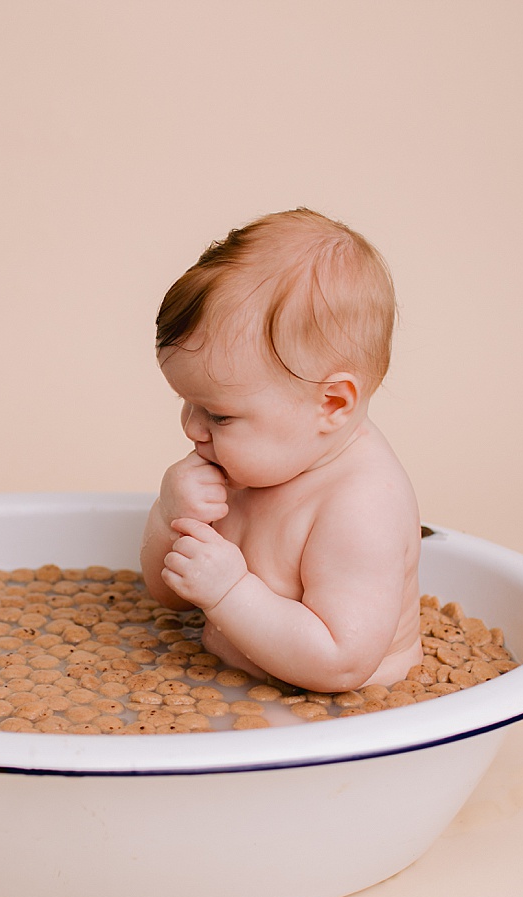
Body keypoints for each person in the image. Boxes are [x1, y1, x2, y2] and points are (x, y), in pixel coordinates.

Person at [140, 208, 422, 692]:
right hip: (230, 684)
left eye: (219, 415)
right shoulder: (256, 461)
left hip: (343, 715)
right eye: (187, 402)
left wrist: (229, 591)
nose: (192, 428)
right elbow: (169, 597)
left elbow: (341, 663)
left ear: (331, 403)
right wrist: (171, 516)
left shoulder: (361, 506)